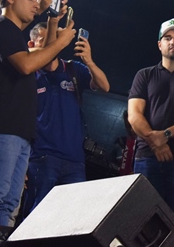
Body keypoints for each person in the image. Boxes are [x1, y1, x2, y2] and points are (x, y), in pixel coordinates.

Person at [0, 0, 75, 230]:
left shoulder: (14, 35)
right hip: (2, 129)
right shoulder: (1, 26)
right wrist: (61, 41)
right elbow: (27, 64)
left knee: (9, 205)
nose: (35, 4)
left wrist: (52, 20)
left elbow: (43, 57)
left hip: (21, 133)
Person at [23, 17, 110, 215]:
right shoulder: (29, 73)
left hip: (75, 161)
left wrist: (89, 61)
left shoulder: (73, 69)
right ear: (32, 44)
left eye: (54, 40)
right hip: (41, 158)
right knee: (35, 218)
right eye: (45, 41)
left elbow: (104, 86)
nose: (52, 45)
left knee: (69, 219)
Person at [128, 18, 174, 231]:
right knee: (142, 222)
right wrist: (156, 143)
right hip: (147, 158)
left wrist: (166, 135)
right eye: (168, 38)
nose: (173, 41)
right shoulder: (144, 75)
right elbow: (134, 115)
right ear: (159, 44)